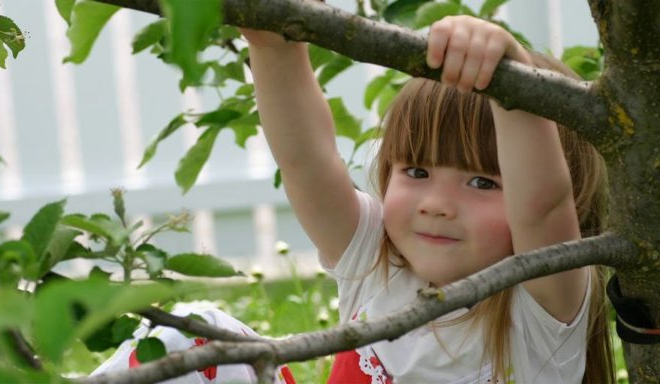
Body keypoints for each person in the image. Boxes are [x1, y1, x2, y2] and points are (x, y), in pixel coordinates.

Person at [241, 14, 614, 384]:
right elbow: (305, 161)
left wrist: (514, 83)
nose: (436, 204)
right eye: (417, 173)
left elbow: (542, 207)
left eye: (483, 182)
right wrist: (275, 49)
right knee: (198, 334)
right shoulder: (376, 263)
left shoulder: (542, 310)